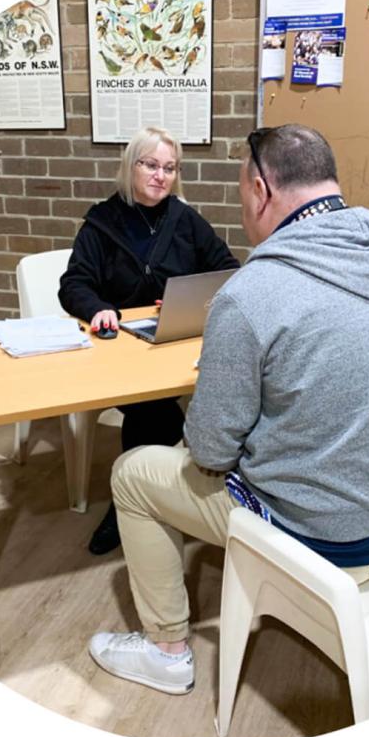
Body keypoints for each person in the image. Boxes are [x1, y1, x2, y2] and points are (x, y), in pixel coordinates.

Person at [87, 124, 369, 694]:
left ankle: (164, 649)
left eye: (240, 192)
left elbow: (211, 450)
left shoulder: (253, 292)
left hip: (324, 537)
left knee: (133, 473)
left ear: (260, 189)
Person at [58, 126, 239, 554]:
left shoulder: (184, 219)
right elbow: (73, 285)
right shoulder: (102, 222)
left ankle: (156, 496)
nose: (161, 176)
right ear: (131, 166)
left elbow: (226, 268)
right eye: (151, 165)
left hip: (173, 337)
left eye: (170, 168)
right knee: (155, 411)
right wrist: (98, 308)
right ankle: (132, 505)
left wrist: (191, 295)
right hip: (118, 345)